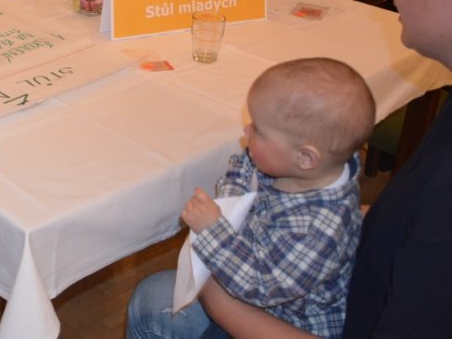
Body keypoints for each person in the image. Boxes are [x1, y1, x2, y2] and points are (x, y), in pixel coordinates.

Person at [128, 0, 452, 339]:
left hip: (301, 318)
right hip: (335, 283)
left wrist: (214, 290)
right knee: (155, 295)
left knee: (155, 306)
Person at [127, 57, 376, 338]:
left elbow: (258, 283)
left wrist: (212, 230)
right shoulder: (304, 166)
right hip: (250, 266)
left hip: (283, 318)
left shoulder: (316, 231)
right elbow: (244, 166)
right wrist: (228, 207)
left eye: (258, 129)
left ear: (306, 157)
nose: (246, 131)